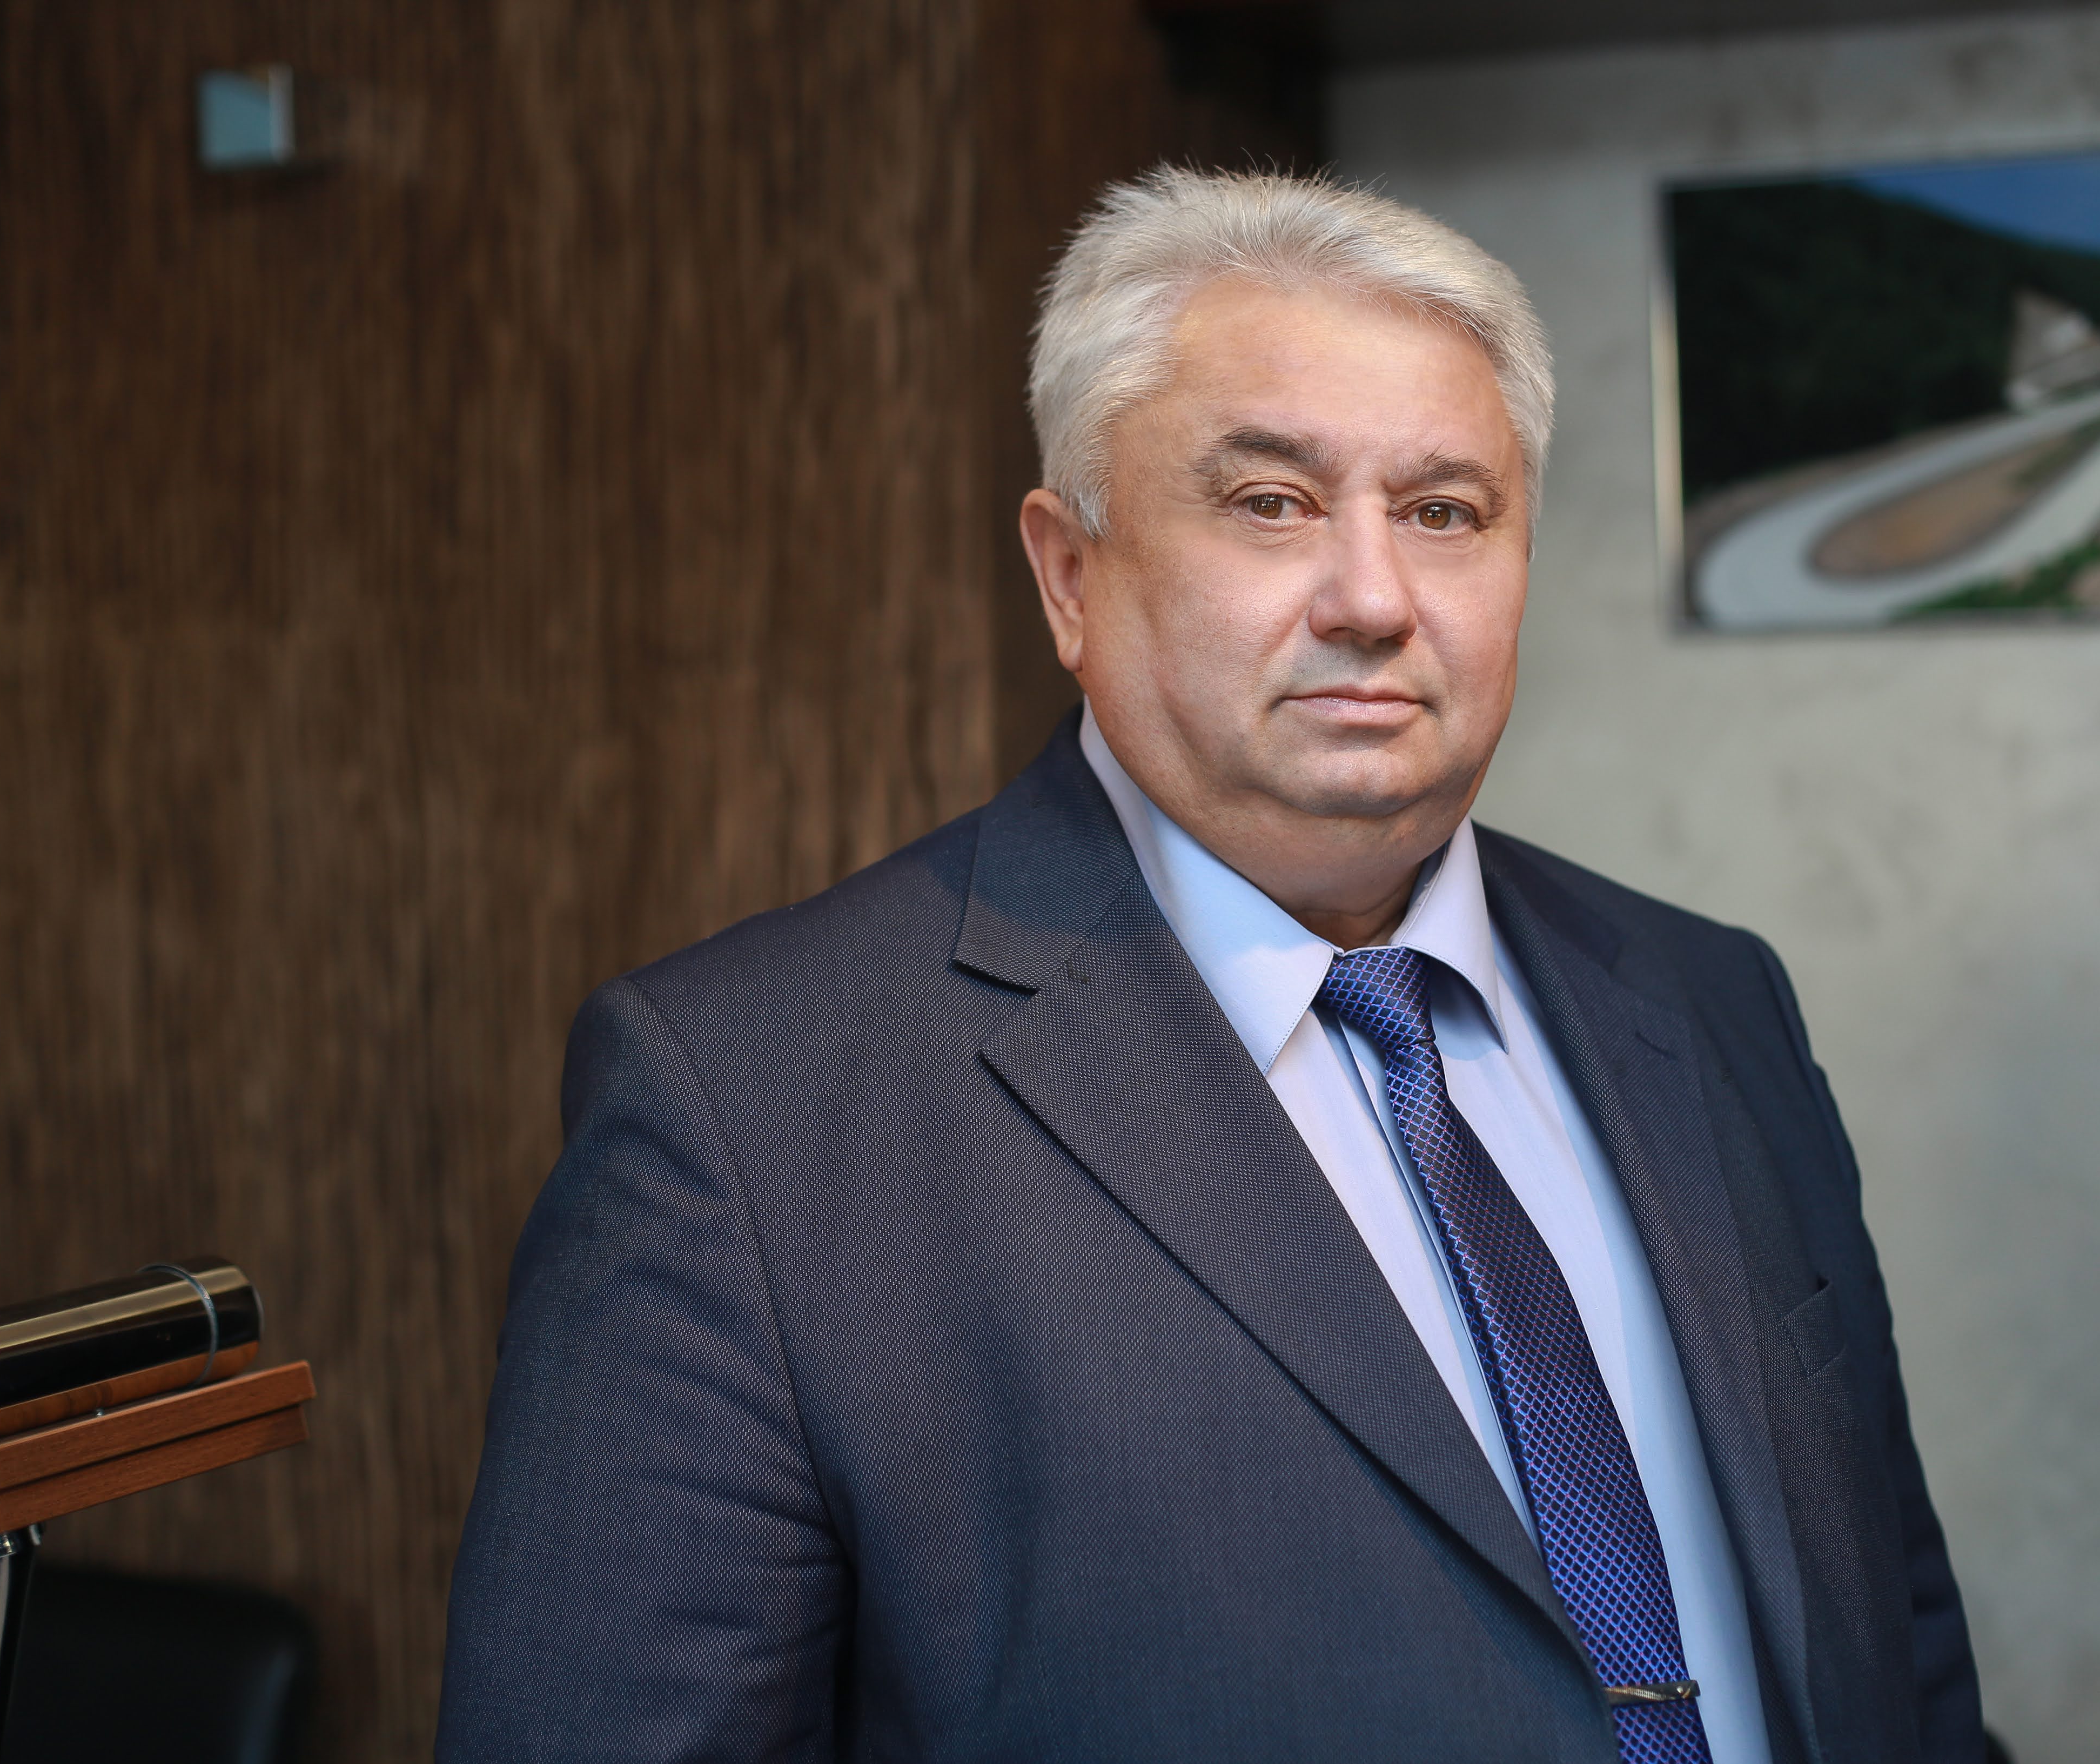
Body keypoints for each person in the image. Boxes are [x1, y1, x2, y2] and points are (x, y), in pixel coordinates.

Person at [438, 168, 1981, 1764]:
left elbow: (1898, 1640)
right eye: (1270, 502)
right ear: (1068, 573)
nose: (1374, 599)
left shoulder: (1708, 1001)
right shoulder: (745, 1106)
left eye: (1444, 513)